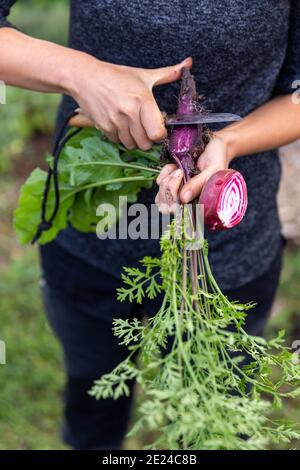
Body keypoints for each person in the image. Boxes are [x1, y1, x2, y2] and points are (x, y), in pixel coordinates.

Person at [0, 0, 300, 450]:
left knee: (211, 419)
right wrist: (81, 74)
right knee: (93, 397)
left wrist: (230, 141)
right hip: (93, 226)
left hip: (226, 248)